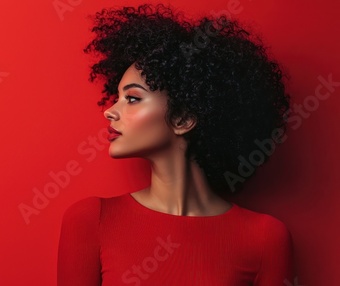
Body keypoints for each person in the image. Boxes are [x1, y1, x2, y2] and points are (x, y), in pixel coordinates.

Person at [57, 4, 294, 285]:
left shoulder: (265, 238)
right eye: (116, 97)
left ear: (183, 119)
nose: (109, 111)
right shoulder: (91, 220)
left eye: (132, 98)